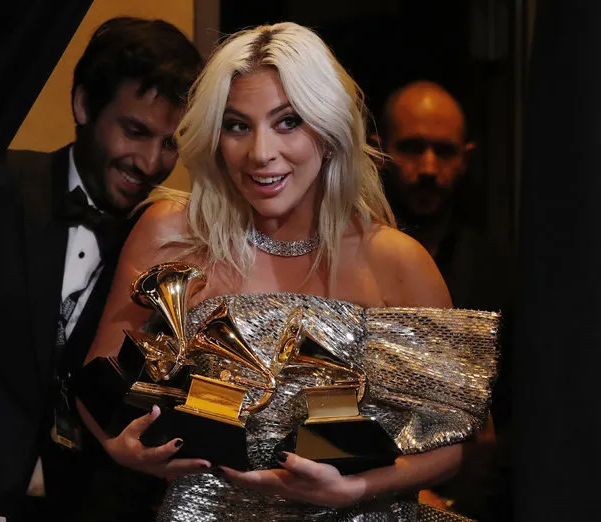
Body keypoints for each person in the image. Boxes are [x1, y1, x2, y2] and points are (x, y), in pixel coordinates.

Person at [76, 22, 498, 521]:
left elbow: (460, 441)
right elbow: (97, 376)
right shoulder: (172, 231)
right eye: (237, 125)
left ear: (327, 131)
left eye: (287, 122)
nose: (260, 153)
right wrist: (118, 447)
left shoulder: (397, 260)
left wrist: (357, 487)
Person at [0, 16, 202, 522]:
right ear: (84, 104)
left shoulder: (169, 237)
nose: (151, 161)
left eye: (171, 142)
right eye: (135, 131)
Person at [378, 81, 515, 520]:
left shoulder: (501, 271)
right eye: (413, 148)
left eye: (445, 151)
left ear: (466, 159)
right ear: (380, 151)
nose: (429, 168)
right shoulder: (351, 260)